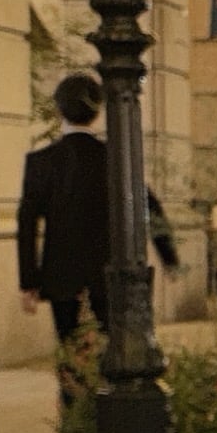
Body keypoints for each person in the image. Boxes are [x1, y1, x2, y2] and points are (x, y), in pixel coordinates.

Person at [18, 70, 179, 339]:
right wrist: (169, 257)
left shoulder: (41, 162)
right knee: (110, 345)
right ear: (98, 111)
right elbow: (149, 207)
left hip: (61, 275)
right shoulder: (117, 159)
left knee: (72, 348)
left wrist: (29, 281)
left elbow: (27, 222)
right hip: (109, 274)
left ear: (59, 110)